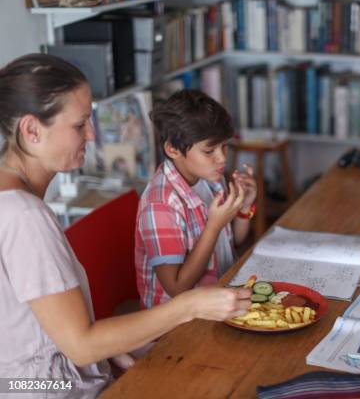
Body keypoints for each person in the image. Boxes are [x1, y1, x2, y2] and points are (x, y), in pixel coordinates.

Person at [0, 53, 251, 398]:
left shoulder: (14, 203)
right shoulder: (24, 217)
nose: (92, 134)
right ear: (31, 130)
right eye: (79, 124)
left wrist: (101, 347)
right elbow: (81, 347)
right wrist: (190, 306)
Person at [135, 89, 257, 308]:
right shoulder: (160, 205)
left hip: (220, 298)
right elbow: (177, 288)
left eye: (224, 146)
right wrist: (213, 226)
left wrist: (245, 206)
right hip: (177, 328)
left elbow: (234, 242)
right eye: (209, 151)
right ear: (172, 150)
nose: (221, 158)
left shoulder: (211, 179)